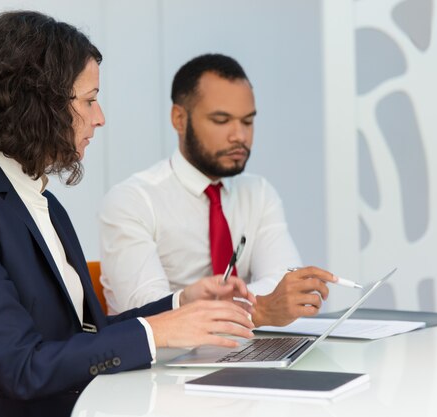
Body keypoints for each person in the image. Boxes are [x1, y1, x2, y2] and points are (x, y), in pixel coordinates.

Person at [0, 12, 255, 417]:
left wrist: (180, 303)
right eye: (90, 100)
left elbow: (82, 336)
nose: (100, 117)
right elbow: (23, 366)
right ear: (39, 102)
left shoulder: (44, 203)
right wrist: (157, 332)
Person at [99, 53, 338, 327]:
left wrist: (255, 306)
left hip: (243, 352)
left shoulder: (258, 193)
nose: (239, 135)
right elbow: (144, 308)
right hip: (163, 364)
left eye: (247, 121)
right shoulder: (132, 201)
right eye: (222, 120)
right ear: (179, 118)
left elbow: (283, 284)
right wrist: (256, 311)